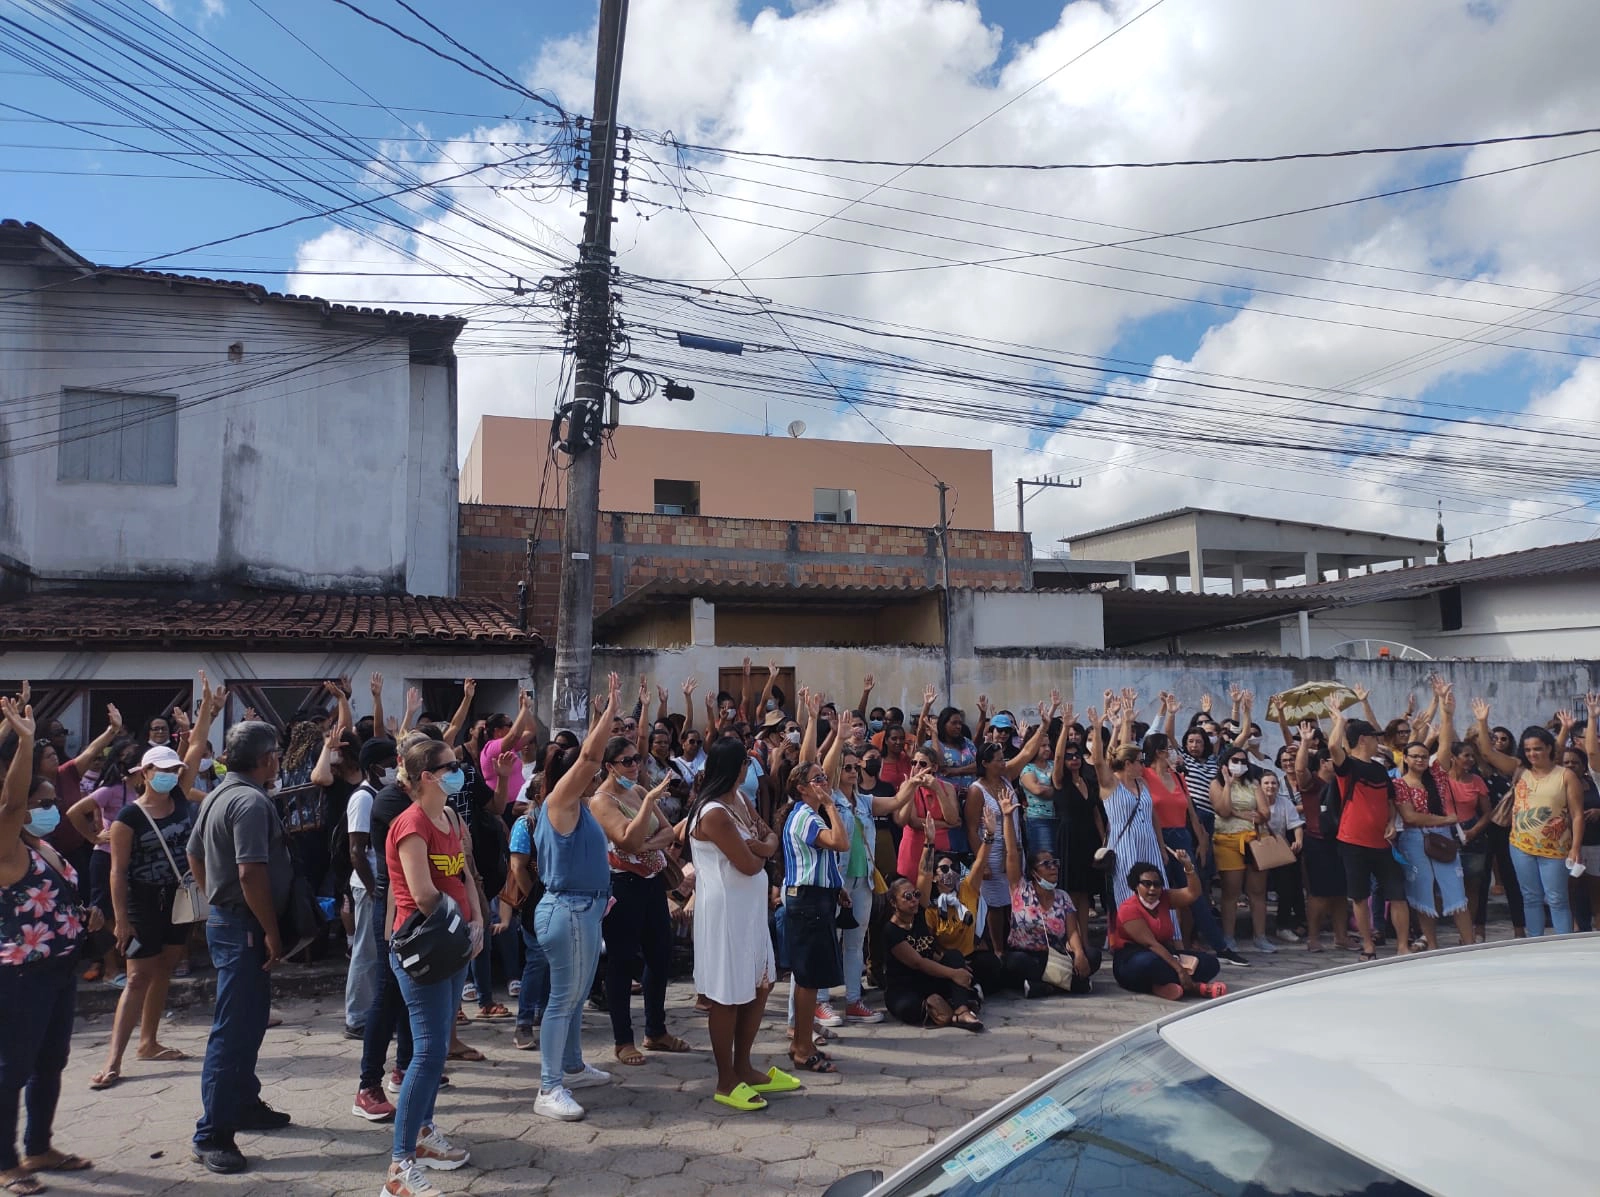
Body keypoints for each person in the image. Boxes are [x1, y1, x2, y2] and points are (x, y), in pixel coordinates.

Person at [88, 690, 217, 1090]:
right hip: (142, 902)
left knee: (164, 969)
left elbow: (195, 746)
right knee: (138, 977)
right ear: (143, 773)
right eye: (160, 769)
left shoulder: (179, 797)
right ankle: (114, 1059)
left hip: (177, 900)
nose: (169, 774)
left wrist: (207, 710)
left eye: (173, 769)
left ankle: (149, 1041)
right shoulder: (128, 817)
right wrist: (121, 920)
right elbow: (118, 871)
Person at [185, 710, 295, 1175]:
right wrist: (270, 929)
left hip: (231, 921)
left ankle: (244, 1105)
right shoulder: (249, 803)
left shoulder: (219, 795)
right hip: (245, 926)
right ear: (268, 759)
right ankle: (213, 1133)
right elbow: (251, 872)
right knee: (232, 1031)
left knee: (247, 1023)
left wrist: (215, 896)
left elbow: (194, 853)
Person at [0, 696, 98, 1196]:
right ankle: (5, 1160)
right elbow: (11, 803)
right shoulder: (6, 845)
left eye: (49, 801)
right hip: (22, 972)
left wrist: (85, 915)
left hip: (59, 965)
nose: (46, 808)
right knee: (11, 1066)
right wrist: (21, 740)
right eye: (37, 802)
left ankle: (39, 1145)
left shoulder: (43, 845)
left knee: (51, 1060)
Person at [379, 738, 482, 1195]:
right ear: (426, 776)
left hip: (454, 942)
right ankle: (399, 1168)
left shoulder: (452, 818)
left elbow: (463, 875)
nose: (458, 772)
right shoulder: (411, 824)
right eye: (450, 766)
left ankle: (422, 1134)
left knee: (437, 1049)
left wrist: (477, 918)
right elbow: (422, 894)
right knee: (425, 1053)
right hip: (426, 946)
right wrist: (463, 925)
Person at [688, 736, 796, 1111]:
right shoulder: (713, 811)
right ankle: (725, 1079)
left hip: (748, 909)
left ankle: (745, 1066)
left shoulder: (741, 800)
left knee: (759, 984)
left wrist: (761, 845)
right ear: (735, 768)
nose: (750, 770)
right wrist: (761, 848)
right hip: (725, 911)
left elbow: (769, 836)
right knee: (727, 994)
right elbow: (748, 864)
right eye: (746, 764)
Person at [531, 675, 619, 1122]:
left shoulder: (581, 807)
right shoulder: (559, 802)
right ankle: (549, 1087)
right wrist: (609, 712)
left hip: (584, 910)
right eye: (592, 772)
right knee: (563, 999)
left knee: (577, 994)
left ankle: (572, 1065)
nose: (598, 774)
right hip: (566, 909)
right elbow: (589, 755)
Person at [590, 737, 686, 1068]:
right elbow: (626, 841)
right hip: (622, 885)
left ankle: (656, 1030)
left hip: (651, 884)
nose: (634, 766)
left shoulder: (640, 792)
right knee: (621, 962)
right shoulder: (602, 800)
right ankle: (623, 1040)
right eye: (627, 761)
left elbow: (669, 833)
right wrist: (646, 821)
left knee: (660, 957)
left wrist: (644, 838)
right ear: (609, 767)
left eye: (637, 760)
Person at [1472, 703, 1584, 936]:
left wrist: (1575, 848)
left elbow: (1576, 814)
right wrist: (1482, 722)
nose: (1533, 754)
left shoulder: (1565, 775)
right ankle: (1535, 943)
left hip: (1555, 847)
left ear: (1549, 748)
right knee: (1530, 897)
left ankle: (1562, 943)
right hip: (1521, 845)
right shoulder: (1518, 769)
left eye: (1538, 749)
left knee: (1556, 898)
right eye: (1529, 749)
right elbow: (1487, 753)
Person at [781, 721, 851, 1076]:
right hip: (807, 904)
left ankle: (801, 1040)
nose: (825, 784)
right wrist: (832, 806)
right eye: (818, 779)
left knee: (812, 979)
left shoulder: (808, 815)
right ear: (802, 787)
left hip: (818, 898)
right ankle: (802, 1046)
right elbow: (840, 843)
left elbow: (822, 860)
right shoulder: (806, 817)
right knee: (807, 981)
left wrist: (836, 885)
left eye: (825, 777)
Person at [964, 696, 1052, 957]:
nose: (1004, 762)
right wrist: (982, 862)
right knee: (994, 903)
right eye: (999, 760)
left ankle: (1012, 944)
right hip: (989, 850)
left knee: (1013, 897)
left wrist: (1045, 726)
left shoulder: (1007, 777)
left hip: (1014, 848)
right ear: (985, 763)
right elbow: (970, 828)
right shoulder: (976, 790)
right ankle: (997, 949)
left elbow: (1026, 753)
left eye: (1004, 758)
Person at [1328, 706, 1412, 960]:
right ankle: (1368, 945)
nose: (1379, 742)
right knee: (1360, 896)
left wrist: (1391, 822)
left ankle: (1402, 946)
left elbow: (1390, 801)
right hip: (1353, 842)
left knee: (1397, 895)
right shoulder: (1348, 766)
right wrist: (1340, 722)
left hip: (1382, 843)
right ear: (1363, 739)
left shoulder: (1379, 770)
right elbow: (1334, 748)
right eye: (1374, 737)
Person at [1392, 683, 1472, 950]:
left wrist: (1446, 713)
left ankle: (1469, 942)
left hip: (1440, 837)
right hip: (1415, 839)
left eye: (1423, 756)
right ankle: (1433, 946)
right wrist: (1446, 821)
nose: (1420, 760)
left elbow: (1446, 744)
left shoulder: (1437, 774)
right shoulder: (1399, 784)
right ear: (1405, 758)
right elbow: (1411, 817)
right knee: (1422, 893)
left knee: (1455, 889)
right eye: (1414, 756)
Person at [997, 791, 1100, 996]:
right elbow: (1012, 853)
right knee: (1015, 962)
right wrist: (1007, 817)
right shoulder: (1020, 888)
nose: (1053, 868)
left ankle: (1043, 986)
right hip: (1027, 954)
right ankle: (1066, 984)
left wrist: (1079, 953)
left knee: (1092, 955)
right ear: (1034, 872)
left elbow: (1072, 932)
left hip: (1056, 954)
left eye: (1055, 863)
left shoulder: (1063, 897)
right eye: (1047, 864)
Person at [1086, 698, 1167, 943]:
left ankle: (1159, 938)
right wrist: (1099, 728)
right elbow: (1100, 760)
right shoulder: (1110, 785)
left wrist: (1162, 848)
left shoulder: (1141, 784)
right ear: (1129, 764)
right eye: (1140, 761)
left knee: (1156, 893)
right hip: (1125, 849)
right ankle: (1128, 941)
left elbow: (1151, 816)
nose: (1144, 765)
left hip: (1149, 845)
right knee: (1128, 894)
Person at [1109, 856, 1226, 1001]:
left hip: (1166, 955)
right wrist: (1180, 970)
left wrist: (1188, 867)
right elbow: (1151, 944)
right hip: (1133, 958)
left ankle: (1165, 986)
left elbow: (1193, 893)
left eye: (1157, 884)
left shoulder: (1165, 897)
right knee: (1148, 963)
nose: (1152, 889)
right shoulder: (1128, 908)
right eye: (1147, 884)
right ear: (1135, 885)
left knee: (1211, 963)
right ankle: (1195, 987)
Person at [345, 739, 398, 1047]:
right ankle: (357, 1017)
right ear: (375, 766)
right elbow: (356, 850)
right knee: (365, 951)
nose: (394, 766)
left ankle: (375, 1012)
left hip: (381, 884)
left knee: (379, 953)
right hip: (369, 885)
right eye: (390, 761)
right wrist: (373, 888)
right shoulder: (363, 798)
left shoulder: (382, 794)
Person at [881, 873, 983, 1030]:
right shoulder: (891, 930)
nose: (914, 900)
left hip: (928, 980)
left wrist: (957, 965)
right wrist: (954, 974)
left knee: (954, 956)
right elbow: (918, 962)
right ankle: (949, 1004)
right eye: (907, 897)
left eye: (916, 894)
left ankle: (960, 1012)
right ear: (893, 903)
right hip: (905, 987)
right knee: (907, 1008)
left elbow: (931, 952)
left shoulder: (919, 917)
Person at [1290, 726, 1351, 952]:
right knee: (1319, 894)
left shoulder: (1344, 782)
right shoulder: (1312, 783)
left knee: (1341, 893)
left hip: (1342, 840)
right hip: (1317, 841)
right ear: (1325, 762)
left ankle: (1341, 936)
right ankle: (1313, 938)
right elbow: (1299, 769)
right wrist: (1305, 743)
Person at [1260, 770, 1307, 942]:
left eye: (1273, 783)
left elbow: (1296, 824)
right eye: (1266, 783)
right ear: (1260, 786)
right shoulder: (1254, 803)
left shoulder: (1284, 802)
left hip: (1278, 847)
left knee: (1287, 886)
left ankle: (1283, 925)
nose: (1270, 786)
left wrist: (1298, 841)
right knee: (1258, 890)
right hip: (1257, 848)